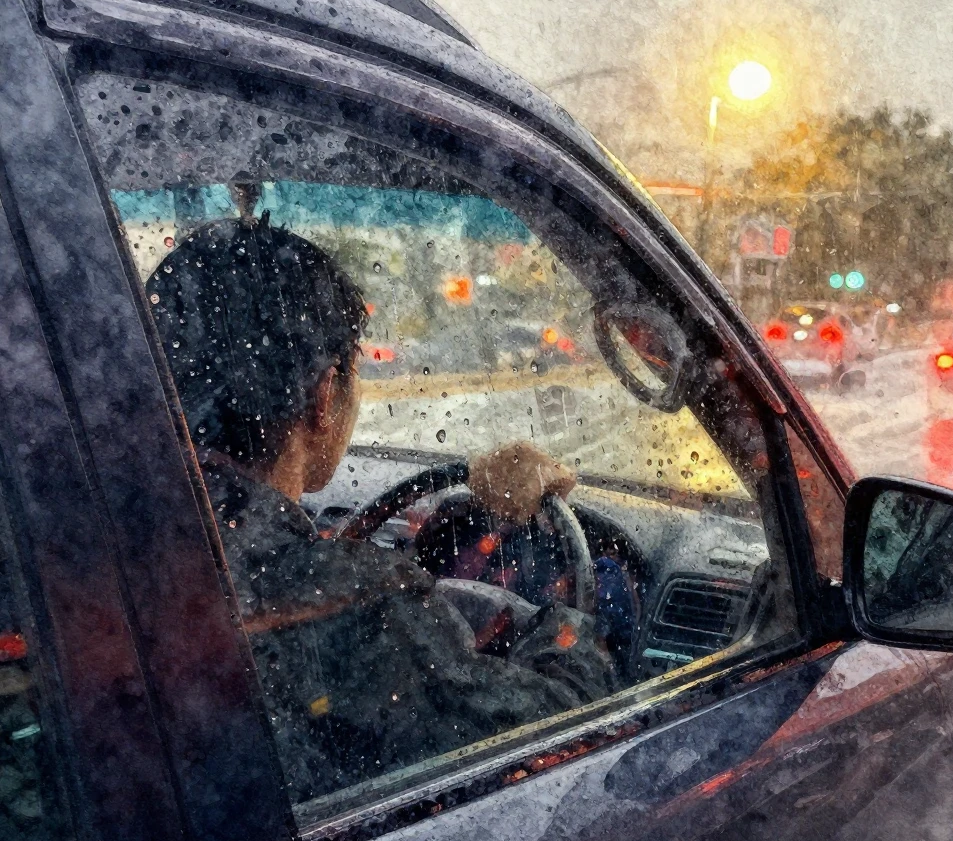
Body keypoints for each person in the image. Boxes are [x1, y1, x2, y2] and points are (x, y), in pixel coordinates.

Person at [146, 210, 614, 803]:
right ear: (323, 396)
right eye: (356, 369)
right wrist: (571, 631)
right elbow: (556, 727)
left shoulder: (133, 538)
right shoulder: (356, 604)